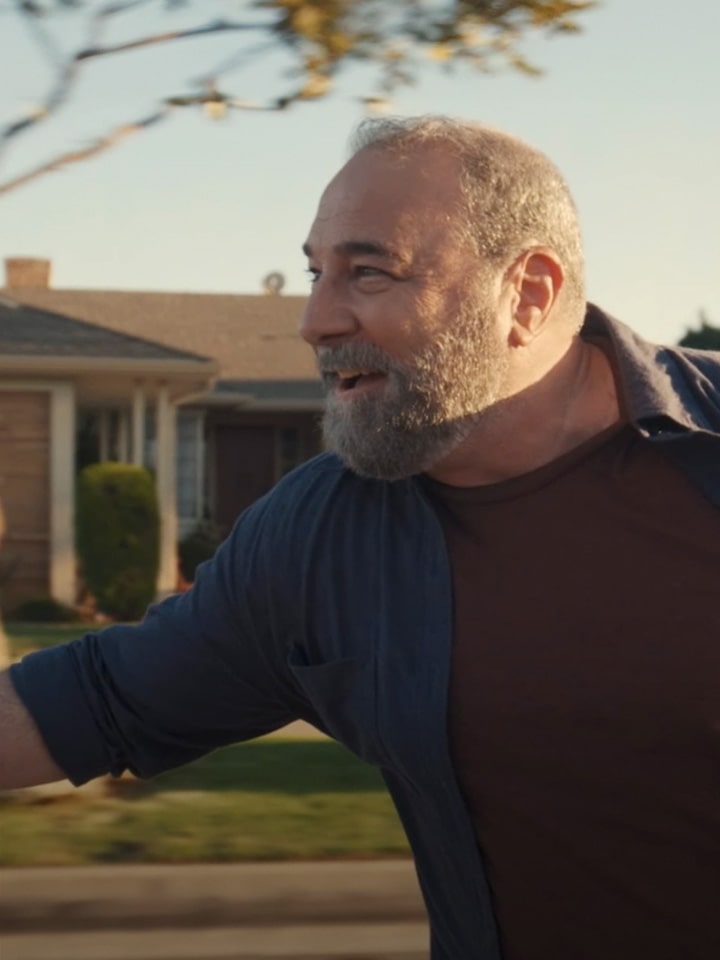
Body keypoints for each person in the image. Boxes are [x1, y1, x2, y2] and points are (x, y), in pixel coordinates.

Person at [1, 115, 720, 960]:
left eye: (368, 272)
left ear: (525, 294)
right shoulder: (317, 536)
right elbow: (95, 702)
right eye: (316, 272)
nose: (314, 319)